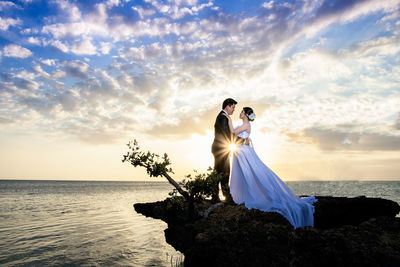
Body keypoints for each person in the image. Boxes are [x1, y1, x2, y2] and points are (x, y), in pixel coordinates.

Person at [223, 107, 317, 228]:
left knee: (252, 174)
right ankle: (240, 195)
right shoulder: (244, 124)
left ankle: (253, 194)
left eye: (242, 112)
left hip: (243, 152)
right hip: (240, 151)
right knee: (243, 175)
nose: (240, 113)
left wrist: (229, 120)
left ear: (246, 114)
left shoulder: (246, 125)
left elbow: (234, 133)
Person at [211, 98, 237, 203]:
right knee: (224, 172)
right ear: (227, 106)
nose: (234, 109)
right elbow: (227, 134)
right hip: (221, 149)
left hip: (220, 148)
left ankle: (216, 196)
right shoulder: (222, 117)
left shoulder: (222, 116)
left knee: (219, 171)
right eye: (233, 107)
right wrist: (241, 141)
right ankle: (226, 197)